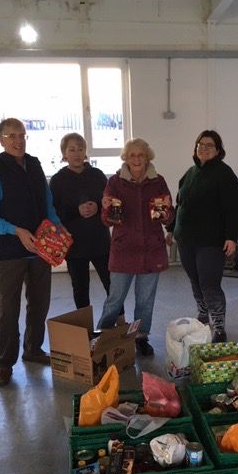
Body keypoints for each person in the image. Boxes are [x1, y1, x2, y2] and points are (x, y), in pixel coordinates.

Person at [0, 117, 64, 387]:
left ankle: (33, 349)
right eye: (12, 136)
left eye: (22, 135)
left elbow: (47, 203)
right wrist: (16, 231)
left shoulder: (35, 165)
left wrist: (58, 228)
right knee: (9, 308)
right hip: (8, 251)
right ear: (1, 139)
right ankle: (4, 364)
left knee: (40, 303)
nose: (18, 140)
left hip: (40, 249)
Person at [97, 138, 173, 356]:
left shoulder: (158, 181)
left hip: (152, 250)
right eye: (132, 155)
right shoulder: (115, 182)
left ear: (147, 157)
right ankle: (103, 336)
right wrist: (106, 210)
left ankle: (141, 337)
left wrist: (167, 212)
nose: (137, 159)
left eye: (141, 155)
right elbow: (108, 221)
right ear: (126, 158)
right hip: (124, 251)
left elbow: (167, 218)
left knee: (145, 302)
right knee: (115, 300)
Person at [166, 130, 238, 343]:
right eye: (201, 144)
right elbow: (180, 205)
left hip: (211, 242)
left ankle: (219, 326)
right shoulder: (189, 173)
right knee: (195, 281)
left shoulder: (224, 175)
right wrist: (171, 228)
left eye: (209, 145)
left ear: (218, 150)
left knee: (210, 284)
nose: (204, 148)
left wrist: (231, 237)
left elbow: (234, 209)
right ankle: (202, 314)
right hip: (186, 239)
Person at [49, 133, 112, 309]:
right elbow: (53, 212)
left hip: (100, 241)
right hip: (74, 245)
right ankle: (85, 331)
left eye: (81, 149)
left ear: (85, 152)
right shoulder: (58, 180)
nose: (77, 153)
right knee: (80, 288)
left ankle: (119, 326)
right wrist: (76, 211)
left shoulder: (98, 175)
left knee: (112, 285)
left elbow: (111, 202)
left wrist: (98, 207)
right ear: (64, 154)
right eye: (72, 149)